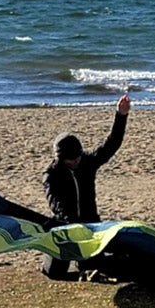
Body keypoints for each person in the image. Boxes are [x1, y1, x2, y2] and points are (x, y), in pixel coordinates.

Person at [40, 94, 130, 280]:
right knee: (54, 273)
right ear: (60, 159)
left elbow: (111, 144)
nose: (76, 161)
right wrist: (73, 227)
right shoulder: (51, 175)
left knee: (99, 266)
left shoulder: (87, 163)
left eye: (78, 156)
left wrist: (121, 116)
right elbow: (56, 205)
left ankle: (88, 263)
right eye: (71, 159)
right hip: (65, 227)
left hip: (91, 225)